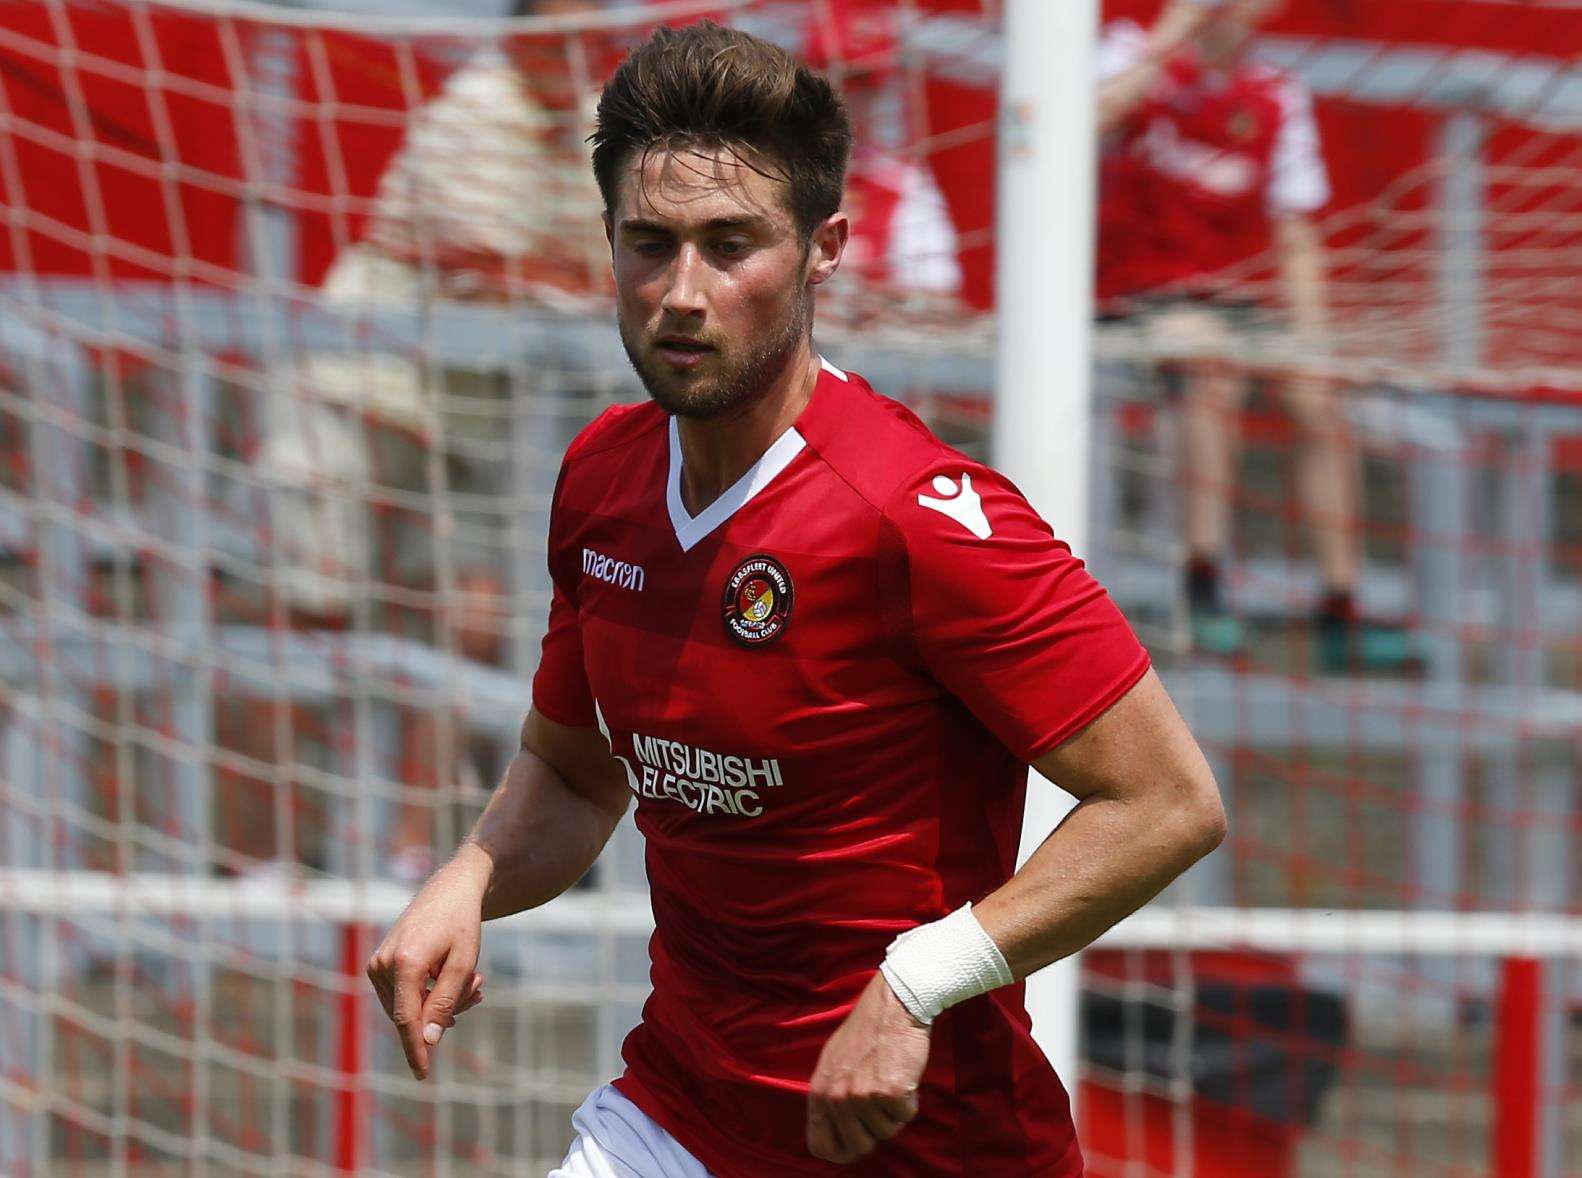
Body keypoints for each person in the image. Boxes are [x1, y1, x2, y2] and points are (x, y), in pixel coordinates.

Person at [366, 21, 1226, 1176]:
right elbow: (575, 773)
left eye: (730, 246)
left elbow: (1167, 800)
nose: (681, 292)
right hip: (674, 1117)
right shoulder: (603, 479)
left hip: (930, 1145)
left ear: (824, 248)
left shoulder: (916, 513)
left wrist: (917, 982)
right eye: (649, 243)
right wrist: (466, 874)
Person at [1097, 0, 1412, 672]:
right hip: (1136, 293)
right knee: (1210, 370)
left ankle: (1340, 603)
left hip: (1235, 300)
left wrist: (1313, 343)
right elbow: (1081, 125)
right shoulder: (1132, 54)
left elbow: (1297, 236)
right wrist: (1171, 37)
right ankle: (1203, 581)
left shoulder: (1275, 95)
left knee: (1317, 396)